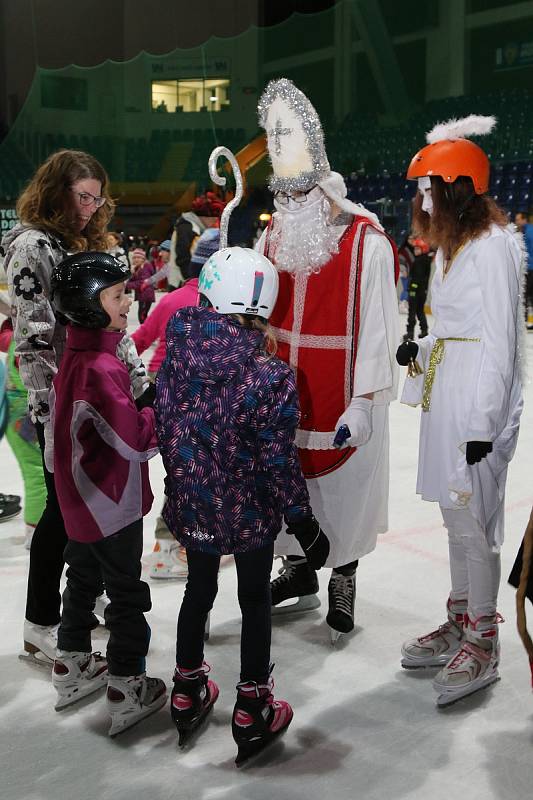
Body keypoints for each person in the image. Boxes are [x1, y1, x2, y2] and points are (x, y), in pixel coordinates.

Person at [154, 245, 329, 764]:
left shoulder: (176, 358)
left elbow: (166, 429)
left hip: (193, 505)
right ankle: (251, 705)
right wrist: (303, 522)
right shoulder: (269, 377)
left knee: (198, 590)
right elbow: (278, 463)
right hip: (248, 513)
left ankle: (186, 686)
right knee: (253, 600)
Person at [256, 78, 399, 643]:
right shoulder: (270, 245)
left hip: (345, 398)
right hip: (287, 400)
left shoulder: (369, 243)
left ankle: (343, 574)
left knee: (345, 493)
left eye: (299, 197)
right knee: (293, 491)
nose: (289, 209)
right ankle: (297, 571)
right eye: (282, 198)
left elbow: (381, 330)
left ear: (323, 189)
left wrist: (364, 401)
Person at [2, 149, 150, 665]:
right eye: (82, 196)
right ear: (56, 191)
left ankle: (82, 600)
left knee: (95, 505)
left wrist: (140, 383)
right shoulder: (32, 248)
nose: (90, 207)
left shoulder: (86, 242)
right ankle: (40, 620)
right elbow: (34, 338)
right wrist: (49, 415)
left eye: (97, 198)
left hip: (102, 393)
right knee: (63, 515)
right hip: (65, 399)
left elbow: (116, 323)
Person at [397, 115, 524, 707]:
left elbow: (499, 341)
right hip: (447, 392)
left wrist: (483, 426)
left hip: (478, 403)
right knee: (452, 514)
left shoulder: (496, 247)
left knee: (476, 521)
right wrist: (418, 347)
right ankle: (459, 619)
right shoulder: (449, 247)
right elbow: (454, 329)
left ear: (460, 188)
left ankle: (484, 635)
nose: (422, 200)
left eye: (429, 188)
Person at [48, 251, 166, 732]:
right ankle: (126, 684)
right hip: (108, 503)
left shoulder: (76, 355)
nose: (127, 303)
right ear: (87, 306)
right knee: (125, 592)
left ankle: (70, 661)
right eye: (116, 296)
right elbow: (135, 440)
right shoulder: (100, 367)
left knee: (82, 578)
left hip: (79, 500)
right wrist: (165, 407)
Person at [132, 228, 220, 580]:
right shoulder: (217, 303)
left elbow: (139, 340)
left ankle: (170, 542)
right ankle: (176, 541)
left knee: (181, 470)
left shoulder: (170, 300)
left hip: (164, 391)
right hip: (199, 395)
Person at [0, 313, 45, 547]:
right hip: (24, 417)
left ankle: (38, 527)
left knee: (39, 471)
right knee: (37, 473)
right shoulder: (26, 344)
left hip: (18, 414)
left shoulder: (17, 337)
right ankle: (36, 531)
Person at [404, 238, 431, 342]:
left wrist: (412, 290)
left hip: (416, 292)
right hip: (422, 292)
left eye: (417, 249)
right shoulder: (426, 260)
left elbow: (417, 278)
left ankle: (410, 333)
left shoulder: (419, 261)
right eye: (414, 248)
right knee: (420, 311)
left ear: (423, 249)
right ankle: (424, 331)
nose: (415, 250)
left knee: (412, 312)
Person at [514, 211, 533, 328]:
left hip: (529, 268)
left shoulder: (527, 232)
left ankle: (526, 320)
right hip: (529, 267)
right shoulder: (526, 230)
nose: (516, 222)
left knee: (525, 295)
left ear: (524, 219)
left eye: (518, 219)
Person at [127, 248, 156, 323]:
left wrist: (128, 285)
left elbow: (142, 282)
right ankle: (145, 331)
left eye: (139, 258)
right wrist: (132, 273)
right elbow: (133, 279)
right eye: (134, 258)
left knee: (142, 315)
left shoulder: (145, 267)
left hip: (146, 295)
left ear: (143, 259)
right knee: (142, 315)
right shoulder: (138, 268)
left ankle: (145, 331)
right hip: (142, 295)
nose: (136, 259)